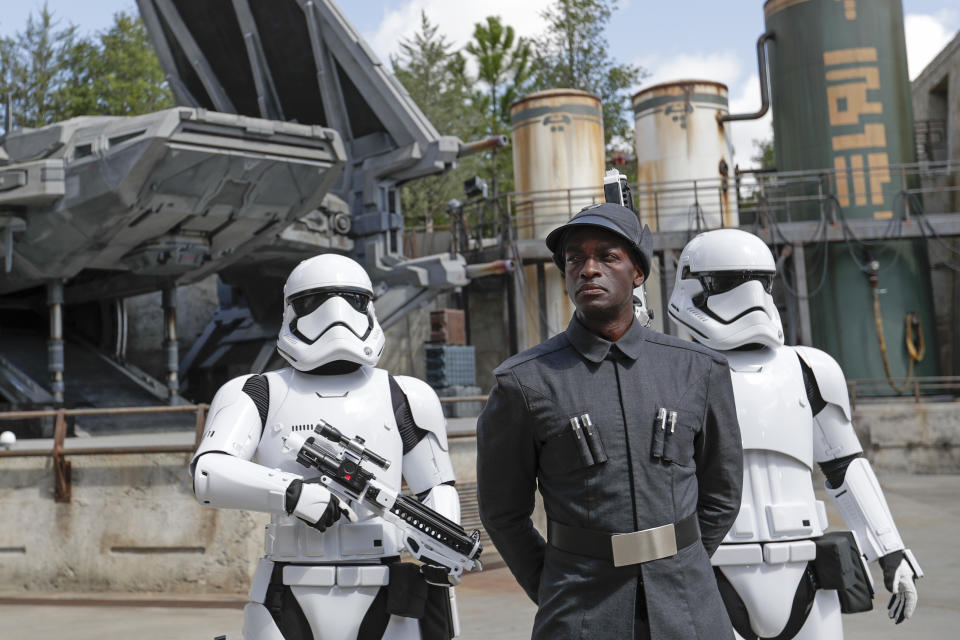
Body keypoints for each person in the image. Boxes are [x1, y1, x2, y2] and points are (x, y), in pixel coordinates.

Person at [476, 203, 743, 639]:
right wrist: (552, 586)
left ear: (638, 272)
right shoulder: (523, 383)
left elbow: (722, 492)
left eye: (607, 256)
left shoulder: (699, 370)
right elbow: (503, 512)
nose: (588, 269)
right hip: (580, 610)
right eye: (575, 259)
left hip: (688, 609)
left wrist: (680, 559)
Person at [190, 253, 461, 640]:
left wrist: (443, 550)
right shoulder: (259, 392)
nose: (336, 314)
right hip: (288, 582)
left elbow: (437, 488)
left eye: (351, 300)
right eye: (315, 302)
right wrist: (293, 493)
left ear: (368, 308)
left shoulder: (404, 395)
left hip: (386, 586)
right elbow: (207, 473)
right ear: (291, 312)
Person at [669, 229, 923, 639]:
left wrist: (890, 551)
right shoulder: (671, 370)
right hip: (713, 571)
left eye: (761, 281)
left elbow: (844, 466)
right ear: (694, 287)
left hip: (806, 571)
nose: (749, 296)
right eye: (729, 282)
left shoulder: (808, 368)